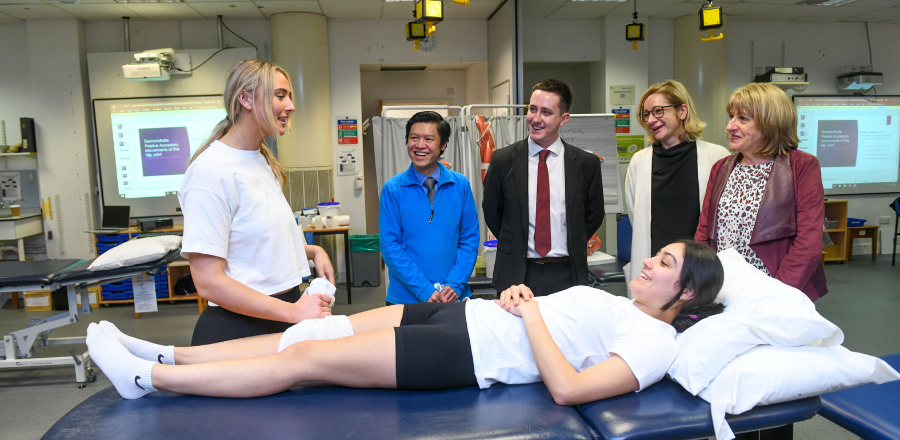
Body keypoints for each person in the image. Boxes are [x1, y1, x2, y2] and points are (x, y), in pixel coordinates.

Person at [86, 239, 725, 404]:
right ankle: (164, 355)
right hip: (462, 317)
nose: (647, 262)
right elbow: (556, 322)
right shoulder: (621, 303)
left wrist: (530, 315)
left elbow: (567, 386)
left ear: (686, 292)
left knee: (305, 363)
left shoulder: (655, 341)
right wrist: (525, 298)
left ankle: (146, 382)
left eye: (663, 262)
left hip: (469, 360)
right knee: (307, 333)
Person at [179, 59, 336, 346]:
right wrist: (293, 311)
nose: (291, 105)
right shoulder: (211, 172)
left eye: (289, 96)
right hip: (241, 329)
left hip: (279, 317)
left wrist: (313, 251)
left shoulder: (261, 160)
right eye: (280, 95)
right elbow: (208, 281)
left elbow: (252, 243)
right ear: (246, 98)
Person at [696, 82, 827, 302]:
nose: (730, 126)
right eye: (731, 117)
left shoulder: (802, 166)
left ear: (770, 123)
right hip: (725, 288)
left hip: (778, 289)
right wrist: (703, 282)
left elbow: (808, 242)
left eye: (743, 119)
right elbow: (703, 233)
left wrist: (776, 294)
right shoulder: (721, 167)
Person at [482, 79, 604, 296]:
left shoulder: (586, 164)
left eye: (546, 112)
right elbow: (493, 212)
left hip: (568, 274)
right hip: (516, 274)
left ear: (563, 118)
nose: (536, 119)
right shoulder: (503, 160)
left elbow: (593, 215)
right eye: (532, 109)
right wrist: (516, 242)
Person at [624, 81, 730, 293]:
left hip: (699, 269)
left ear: (682, 111)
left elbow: (722, 222)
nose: (651, 120)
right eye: (646, 115)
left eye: (658, 111)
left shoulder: (717, 157)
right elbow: (636, 217)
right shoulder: (640, 161)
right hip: (655, 269)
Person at [379, 111, 480, 305]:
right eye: (414, 138)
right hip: (405, 299)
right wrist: (423, 290)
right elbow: (390, 247)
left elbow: (469, 239)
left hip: (454, 296)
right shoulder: (393, 189)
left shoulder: (460, 185)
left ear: (443, 144)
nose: (420, 145)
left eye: (429, 139)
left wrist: (455, 284)